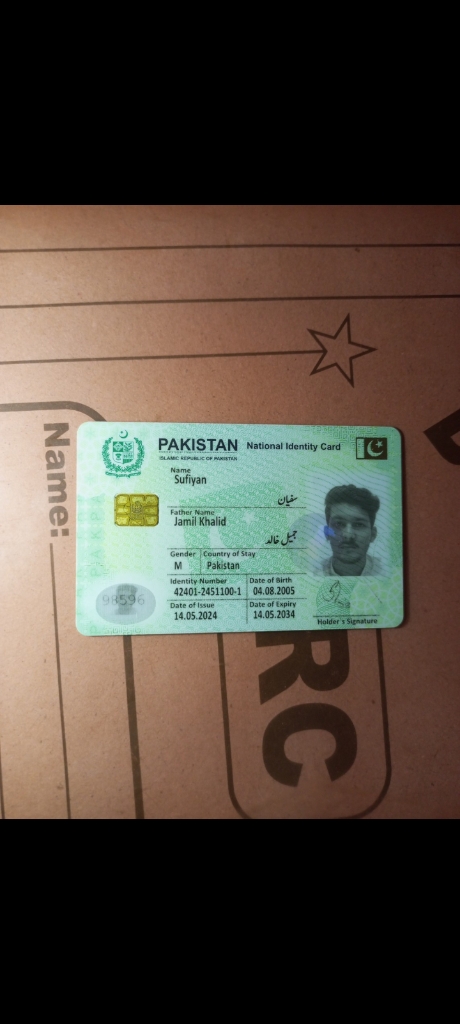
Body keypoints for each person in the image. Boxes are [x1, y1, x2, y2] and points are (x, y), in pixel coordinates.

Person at [322, 484, 382, 576]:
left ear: (373, 534)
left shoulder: (389, 572)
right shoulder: (310, 574)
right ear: (327, 533)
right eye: (339, 524)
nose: (348, 535)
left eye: (359, 524)